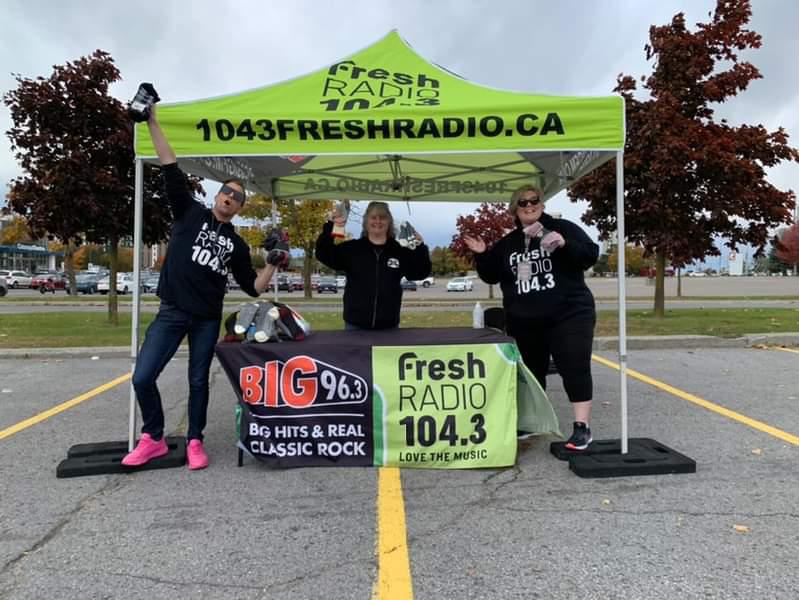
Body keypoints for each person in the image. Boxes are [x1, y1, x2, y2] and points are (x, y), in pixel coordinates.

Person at [122, 104, 281, 470]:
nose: (230, 198)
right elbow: (168, 163)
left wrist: (272, 264)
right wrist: (153, 121)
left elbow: (253, 287)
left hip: (206, 319)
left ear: (240, 208)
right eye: (227, 192)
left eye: (238, 198)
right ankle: (154, 437)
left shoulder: (239, 246)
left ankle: (195, 439)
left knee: (198, 381)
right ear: (217, 195)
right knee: (143, 376)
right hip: (172, 311)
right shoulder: (189, 212)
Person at [463, 184, 599, 450]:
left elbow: (589, 255)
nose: (529, 205)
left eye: (534, 200)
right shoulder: (509, 243)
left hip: (569, 314)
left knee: (574, 367)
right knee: (531, 374)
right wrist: (481, 255)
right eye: (523, 203)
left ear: (542, 204)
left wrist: (564, 243)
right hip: (525, 320)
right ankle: (532, 422)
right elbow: (491, 274)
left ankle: (582, 428)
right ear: (515, 209)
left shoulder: (563, 228)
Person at [315, 201, 432, 330]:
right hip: (355, 327)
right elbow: (323, 253)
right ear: (366, 222)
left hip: (389, 327)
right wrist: (332, 225)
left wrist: (419, 247)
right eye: (373, 217)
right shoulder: (353, 249)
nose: (378, 221)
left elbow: (420, 272)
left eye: (382, 217)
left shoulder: (399, 251)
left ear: (389, 222)